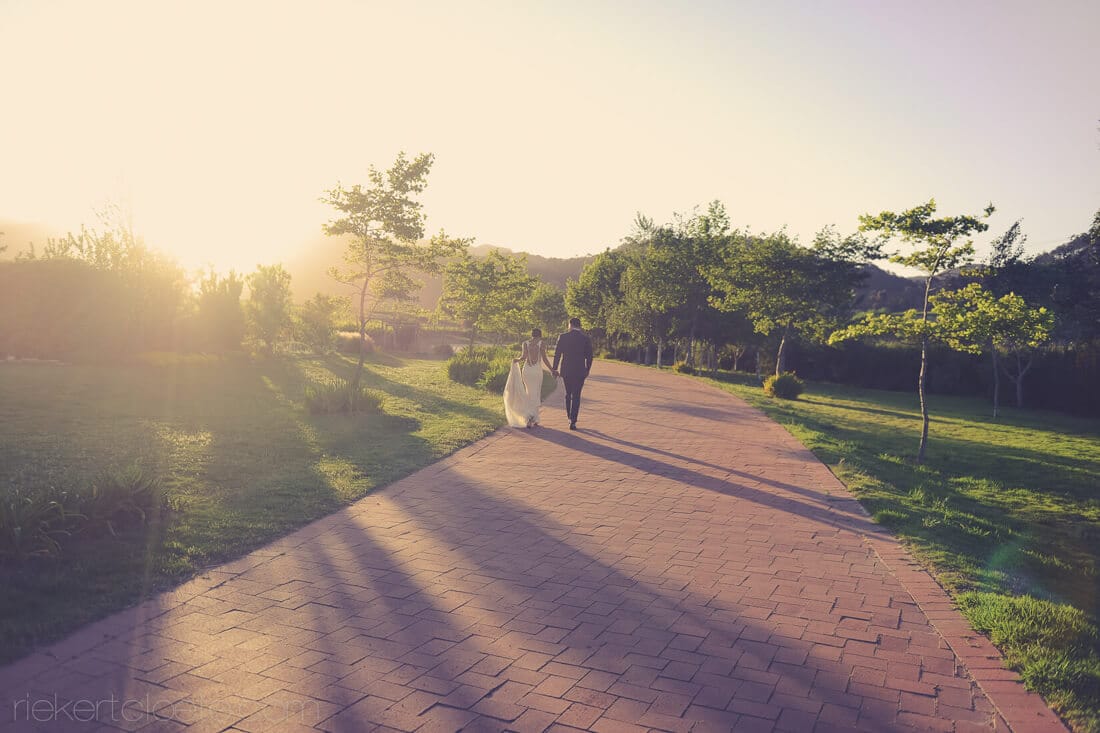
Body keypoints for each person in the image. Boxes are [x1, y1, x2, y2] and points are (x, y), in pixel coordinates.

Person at [504, 328, 554, 428]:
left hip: (527, 371)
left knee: (529, 392)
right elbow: (544, 358)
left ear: (532, 335)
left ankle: (532, 417)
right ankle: (531, 417)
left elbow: (523, 357)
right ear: (540, 335)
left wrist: (516, 360)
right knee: (535, 393)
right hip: (536, 371)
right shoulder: (541, 343)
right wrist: (552, 369)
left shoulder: (525, 343)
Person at [551, 317, 593, 430]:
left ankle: (569, 417)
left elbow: (557, 354)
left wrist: (554, 369)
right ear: (579, 326)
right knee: (576, 395)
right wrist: (587, 369)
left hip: (566, 370)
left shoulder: (563, 337)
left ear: (570, 325)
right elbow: (589, 356)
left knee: (568, 393)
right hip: (580, 371)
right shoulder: (585, 338)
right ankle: (573, 420)